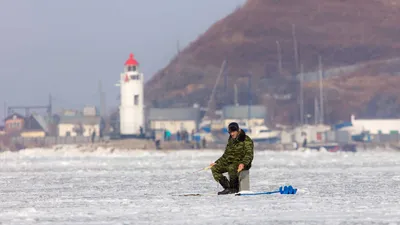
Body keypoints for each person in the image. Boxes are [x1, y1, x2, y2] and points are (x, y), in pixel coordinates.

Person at [210, 122, 254, 195]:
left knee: (231, 167)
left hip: (242, 164)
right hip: (230, 162)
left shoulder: (246, 140)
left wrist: (243, 163)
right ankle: (227, 188)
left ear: (238, 130)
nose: (232, 134)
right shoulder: (231, 140)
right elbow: (226, 155)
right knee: (215, 168)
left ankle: (234, 189)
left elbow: (249, 155)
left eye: (233, 132)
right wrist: (216, 162)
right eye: (230, 132)